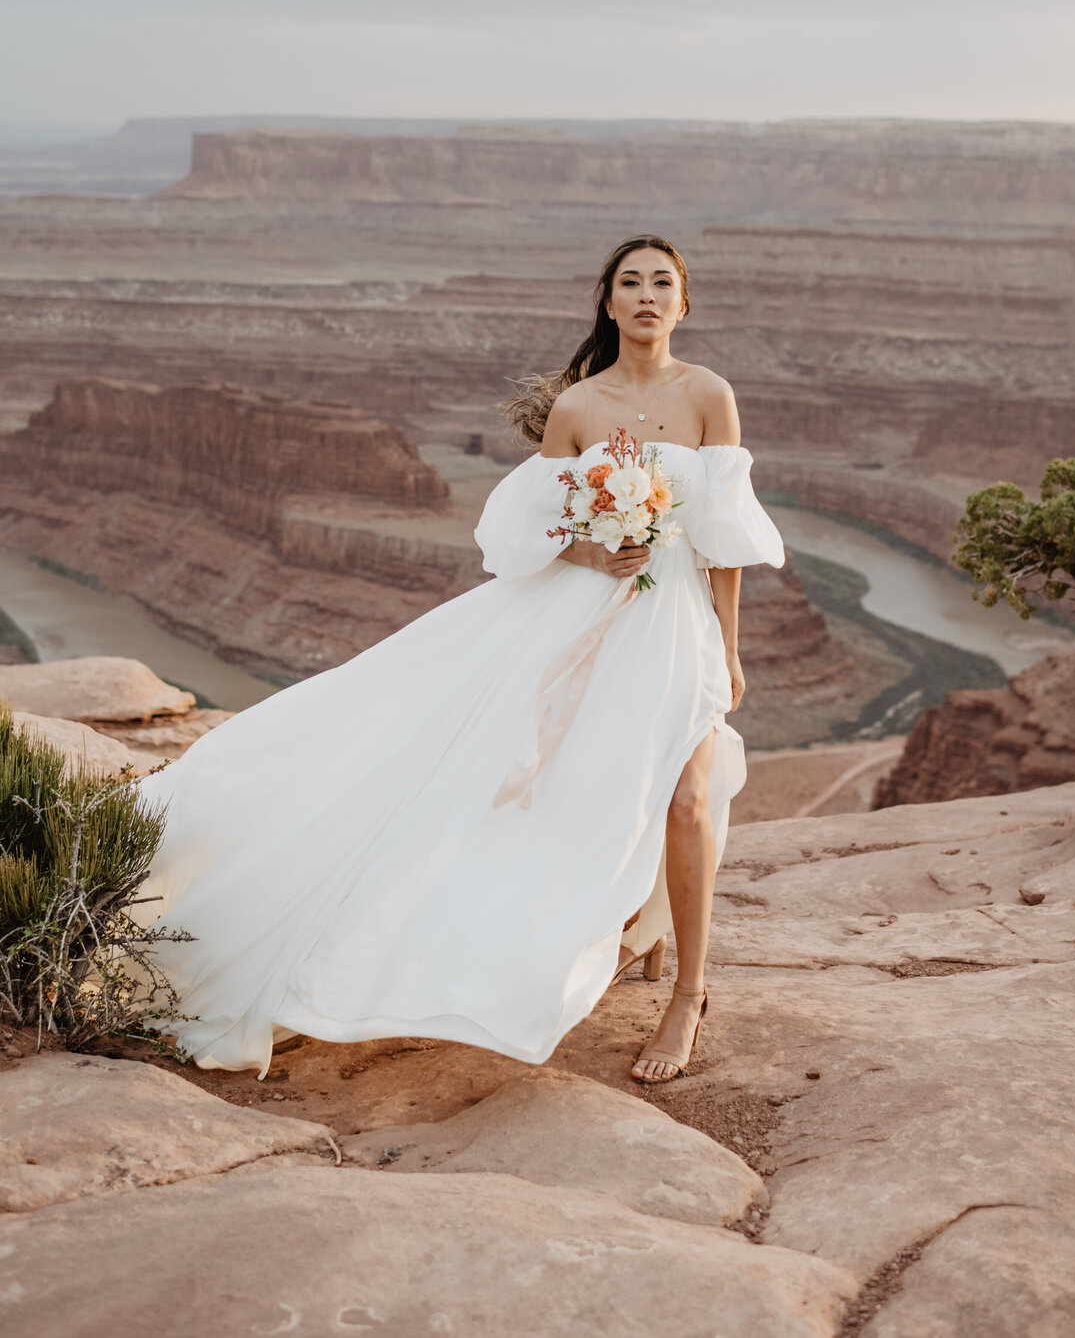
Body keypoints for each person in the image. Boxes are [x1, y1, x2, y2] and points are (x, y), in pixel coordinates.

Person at [139, 233, 784, 1084]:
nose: (647, 296)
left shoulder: (710, 396)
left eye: (663, 282)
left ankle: (688, 994)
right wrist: (593, 552)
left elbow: (724, 537)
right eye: (630, 282)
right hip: (587, 621)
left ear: (685, 302)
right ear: (608, 300)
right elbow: (532, 525)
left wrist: (730, 650)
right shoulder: (578, 408)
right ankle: (625, 932)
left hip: (679, 623)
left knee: (689, 794)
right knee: (568, 784)